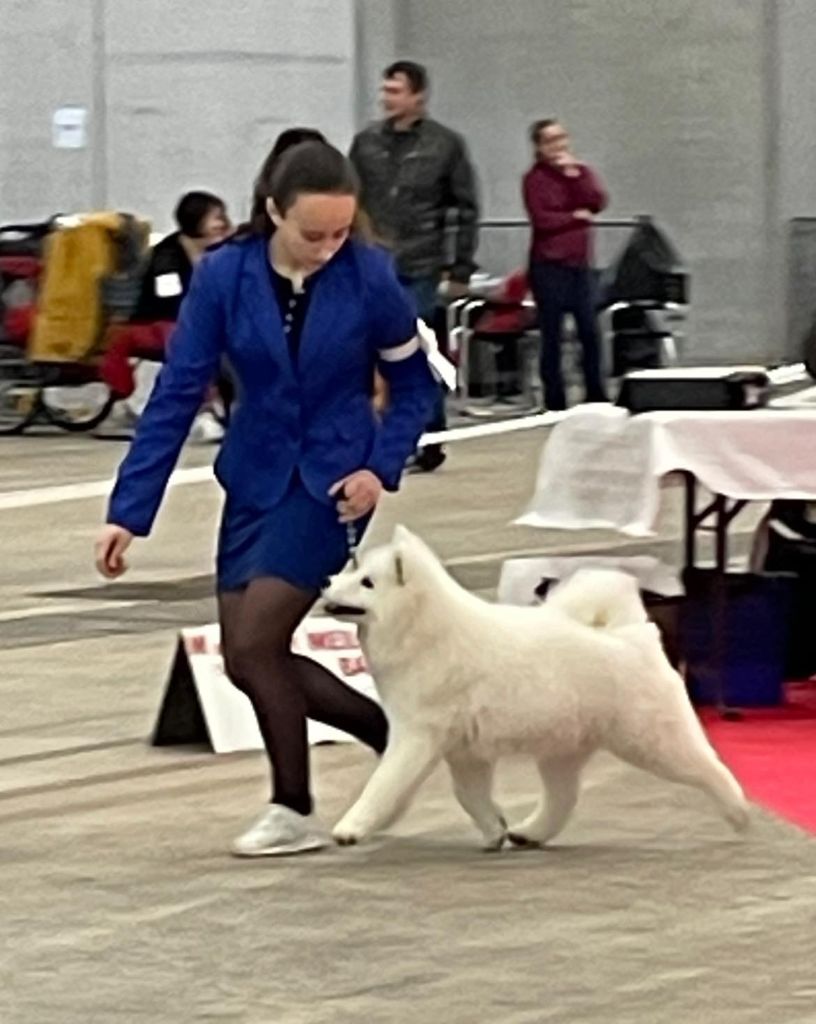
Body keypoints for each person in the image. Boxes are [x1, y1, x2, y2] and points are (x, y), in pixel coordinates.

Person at [95, 141, 437, 857]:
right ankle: (396, 737)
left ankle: (292, 808)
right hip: (253, 476)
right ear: (275, 211)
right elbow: (177, 393)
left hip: (332, 483)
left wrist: (379, 469)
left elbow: (414, 387)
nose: (328, 247)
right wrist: (129, 512)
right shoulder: (224, 275)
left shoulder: (370, 275)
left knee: (256, 642)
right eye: (313, 233)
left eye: (340, 232)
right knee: (246, 661)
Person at [350, 59, 479, 471]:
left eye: (396, 91)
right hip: (374, 261)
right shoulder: (366, 144)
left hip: (422, 262)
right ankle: (393, 435)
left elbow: (465, 210)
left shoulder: (445, 145)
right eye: (385, 90)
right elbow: (351, 202)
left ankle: (428, 435)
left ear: (418, 95)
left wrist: (460, 267)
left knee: (415, 349)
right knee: (374, 352)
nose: (387, 98)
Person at [523, 118, 609, 411]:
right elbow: (543, 219)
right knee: (552, 334)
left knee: (589, 331)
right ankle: (555, 399)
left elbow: (597, 201)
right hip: (549, 265)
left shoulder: (580, 172)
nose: (558, 146)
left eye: (561, 138)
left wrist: (575, 175)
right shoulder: (535, 179)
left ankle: (596, 393)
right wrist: (575, 217)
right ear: (539, 146)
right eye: (550, 141)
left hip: (579, 264)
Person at [131, 191, 231, 323]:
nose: (225, 223)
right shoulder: (166, 258)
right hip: (167, 325)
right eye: (218, 218)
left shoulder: (224, 249)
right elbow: (168, 304)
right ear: (197, 221)